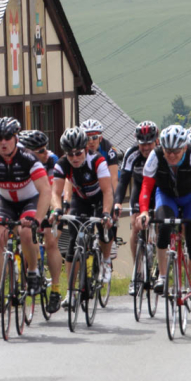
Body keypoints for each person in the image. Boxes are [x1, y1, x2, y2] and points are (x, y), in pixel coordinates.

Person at [0, 117, 52, 313]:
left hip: (30, 200)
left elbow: (45, 190)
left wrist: (37, 219)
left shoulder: (29, 158)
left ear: (16, 138)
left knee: (26, 233)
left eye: (7, 138)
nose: (3, 142)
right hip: (5, 201)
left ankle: (32, 271)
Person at [138, 125, 191, 313]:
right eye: (167, 151)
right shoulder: (155, 155)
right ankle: (162, 276)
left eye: (176, 151)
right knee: (163, 227)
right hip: (167, 196)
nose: (171, 155)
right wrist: (144, 212)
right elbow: (146, 186)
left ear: (184, 147)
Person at [49, 127, 113, 287]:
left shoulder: (97, 160)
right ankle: (71, 290)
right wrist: (57, 210)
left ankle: (106, 261)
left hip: (100, 198)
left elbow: (107, 190)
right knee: (73, 240)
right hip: (81, 199)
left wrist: (106, 213)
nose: (75, 158)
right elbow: (55, 192)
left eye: (78, 153)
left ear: (85, 149)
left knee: (104, 230)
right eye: (70, 154)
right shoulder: (62, 164)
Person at [17, 130, 63, 314]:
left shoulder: (51, 160)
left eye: (46, 148)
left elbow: (51, 191)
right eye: (41, 151)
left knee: (51, 241)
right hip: (31, 202)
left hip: (50, 200)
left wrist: (52, 213)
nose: (46, 153)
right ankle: (31, 267)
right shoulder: (21, 162)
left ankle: (56, 290)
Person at [115, 121, 159, 295]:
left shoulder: (161, 153)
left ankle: (158, 262)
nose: (146, 148)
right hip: (140, 190)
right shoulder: (132, 153)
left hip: (159, 190)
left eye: (149, 143)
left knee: (161, 224)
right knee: (136, 226)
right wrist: (118, 202)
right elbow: (123, 180)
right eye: (142, 144)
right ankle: (137, 273)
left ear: (156, 141)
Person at [81, 118, 120, 281]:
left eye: (94, 137)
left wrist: (114, 203)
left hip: (105, 188)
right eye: (87, 138)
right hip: (87, 189)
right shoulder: (80, 151)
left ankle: (110, 243)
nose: (91, 141)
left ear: (100, 137)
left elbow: (113, 179)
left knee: (106, 218)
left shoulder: (109, 150)